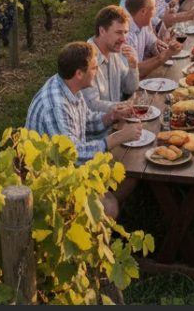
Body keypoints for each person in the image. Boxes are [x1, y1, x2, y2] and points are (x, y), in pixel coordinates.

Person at [25, 41, 141, 218]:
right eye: (94, 68)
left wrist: (111, 116)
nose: (98, 71)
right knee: (109, 206)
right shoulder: (56, 107)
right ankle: (93, 220)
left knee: (130, 169)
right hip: (51, 181)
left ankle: (100, 217)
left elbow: (85, 121)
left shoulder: (70, 86)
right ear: (79, 73)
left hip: (67, 168)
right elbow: (73, 155)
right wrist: (118, 137)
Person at [81, 7, 140, 123]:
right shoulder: (86, 60)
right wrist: (125, 106)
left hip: (116, 122)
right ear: (102, 31)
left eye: (125, 32)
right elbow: (92, 105)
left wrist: (133, 65)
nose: (124, 39)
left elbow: (129, 88)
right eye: (118, 32)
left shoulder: (113, 51)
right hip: (99, 129)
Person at [125, 0, 182, 77]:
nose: (156, 11)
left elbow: (155, 45)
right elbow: (135, 71)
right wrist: (165, 55)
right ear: (143, 12)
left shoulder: (143, 25)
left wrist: (169, 45)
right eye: (154, 8)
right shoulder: (126, 35)